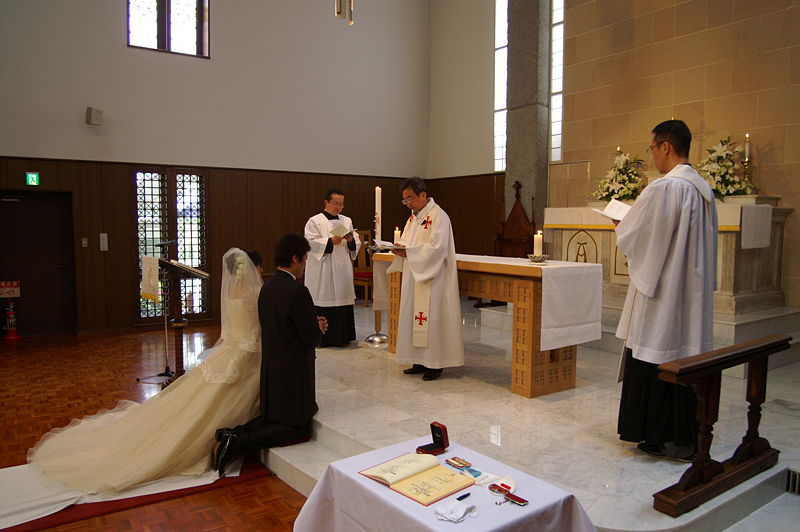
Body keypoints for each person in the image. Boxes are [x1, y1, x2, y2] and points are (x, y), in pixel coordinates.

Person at [28, 248, 264, 493]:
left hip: (232, 349)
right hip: (247, 353)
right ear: (252, 268)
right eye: (257, 267)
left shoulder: (232, 292)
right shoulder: (255, 293)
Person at [615, 119, 718, 461]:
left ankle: (655, 435)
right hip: (689, 292)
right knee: (681, 352)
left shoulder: (666, 188)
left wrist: (622, 225)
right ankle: (680, 433)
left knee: (657, 352)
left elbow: (640, 237)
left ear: (665, 147)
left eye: (653, 149)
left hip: (663, 292)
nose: (654, 157)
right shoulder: (702, 189)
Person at [214, 233, 327, 476]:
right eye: (305, 259)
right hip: (293, 374)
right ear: (296, 258)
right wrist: (318, 327)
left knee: (272, 419)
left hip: (271, 370)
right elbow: (311, 338)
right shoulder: (298, 291)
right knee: (297, 427)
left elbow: (281, 324)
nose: (305, 265)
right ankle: (237, 440)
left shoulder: (268, 287)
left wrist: (309, 322)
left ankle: (232, 433)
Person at [389, 177, 464, 381]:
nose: (408, 204)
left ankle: (434, 364)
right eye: (404, 200)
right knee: (414, 316)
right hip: (415, 275)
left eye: (410, 198)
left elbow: (438, 248)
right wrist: (400, 249)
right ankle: (418, 360)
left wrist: (410, 253)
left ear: (423, 195)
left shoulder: (439, 216)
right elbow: (406, 241)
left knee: (431, 318)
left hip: (433, 278)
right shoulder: (413, 218)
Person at [304, 188, 361, 347]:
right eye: (335, 203)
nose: (338, 207)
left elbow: (356, 241)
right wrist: (330, 242)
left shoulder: (346, 220)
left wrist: (350, 240)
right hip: (325, 269)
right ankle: (324, 338)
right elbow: (310, 242)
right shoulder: (314, 221)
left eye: (341, 204)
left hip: (342, 267)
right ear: (326, 202)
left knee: (343, 299)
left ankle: (343, 336)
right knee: (325, 298)